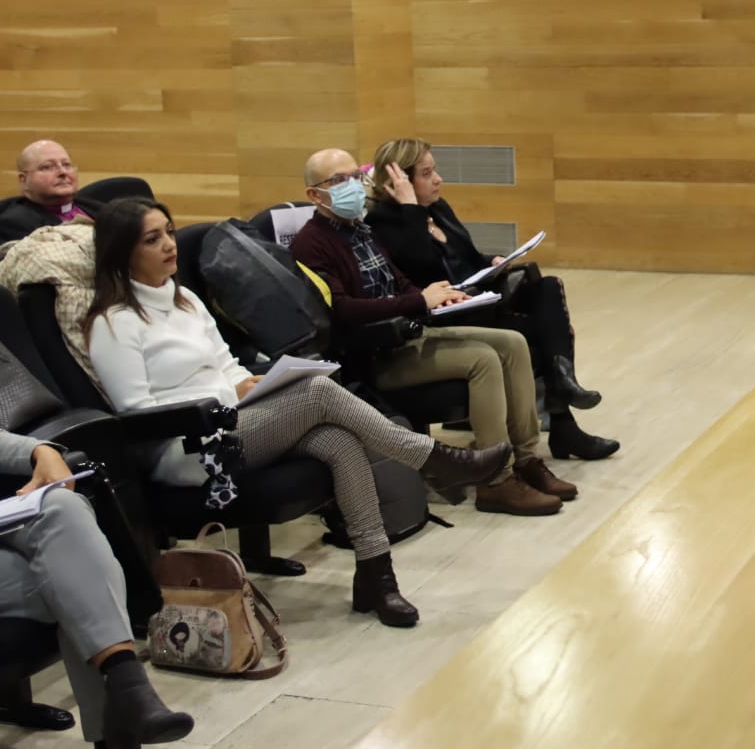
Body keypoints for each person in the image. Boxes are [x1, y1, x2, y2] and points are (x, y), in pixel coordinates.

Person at [84, 198, 511, 627]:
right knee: (317, 392)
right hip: (189, 448)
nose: (168, 244)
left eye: (169, 232)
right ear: (122, 252)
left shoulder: (187, 301)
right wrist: (226, 397)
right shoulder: (113, 323)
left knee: (338, 441)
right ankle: (434, 459)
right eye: (152, 239)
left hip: (233, 420)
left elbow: (227, 365)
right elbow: (136, 413)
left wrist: (251, 383)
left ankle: (376, 577)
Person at [0, 344, 194, 747]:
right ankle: (126, 704)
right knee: (79, 573)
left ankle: (126, 682)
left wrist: (41, 452)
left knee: (62, 506)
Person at [291, 149, 583, 517]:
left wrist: (436, 295)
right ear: (315, 195)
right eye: (338, 180)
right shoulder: (311, 244)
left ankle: (526, 460)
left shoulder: (359, 229)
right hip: (374, 354)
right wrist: (417, 301)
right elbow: (342, 310)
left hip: (407, 334)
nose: (351, 186)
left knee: (513, 343)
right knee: (483, 359)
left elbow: (397, 282)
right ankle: (495, 480)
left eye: (354, 177)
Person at [364, 138, 617, 461]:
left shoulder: (438, 209)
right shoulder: (383, 222)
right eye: (426, 174)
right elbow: (421, 266)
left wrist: (492, 262)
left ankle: (563, 392)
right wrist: (410, 208)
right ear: (400, 183)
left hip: (476, 299)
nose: (438, 179)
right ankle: (562, 418)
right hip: (445, 314)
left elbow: (466, 256)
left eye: (435, 170)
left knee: (546, 287)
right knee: (533, 331)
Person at [0, 139, 99, 248]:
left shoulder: (98, 209)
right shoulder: (14, 224)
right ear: (24, 180)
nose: (63, 172)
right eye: (47, 167)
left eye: (66, 165)